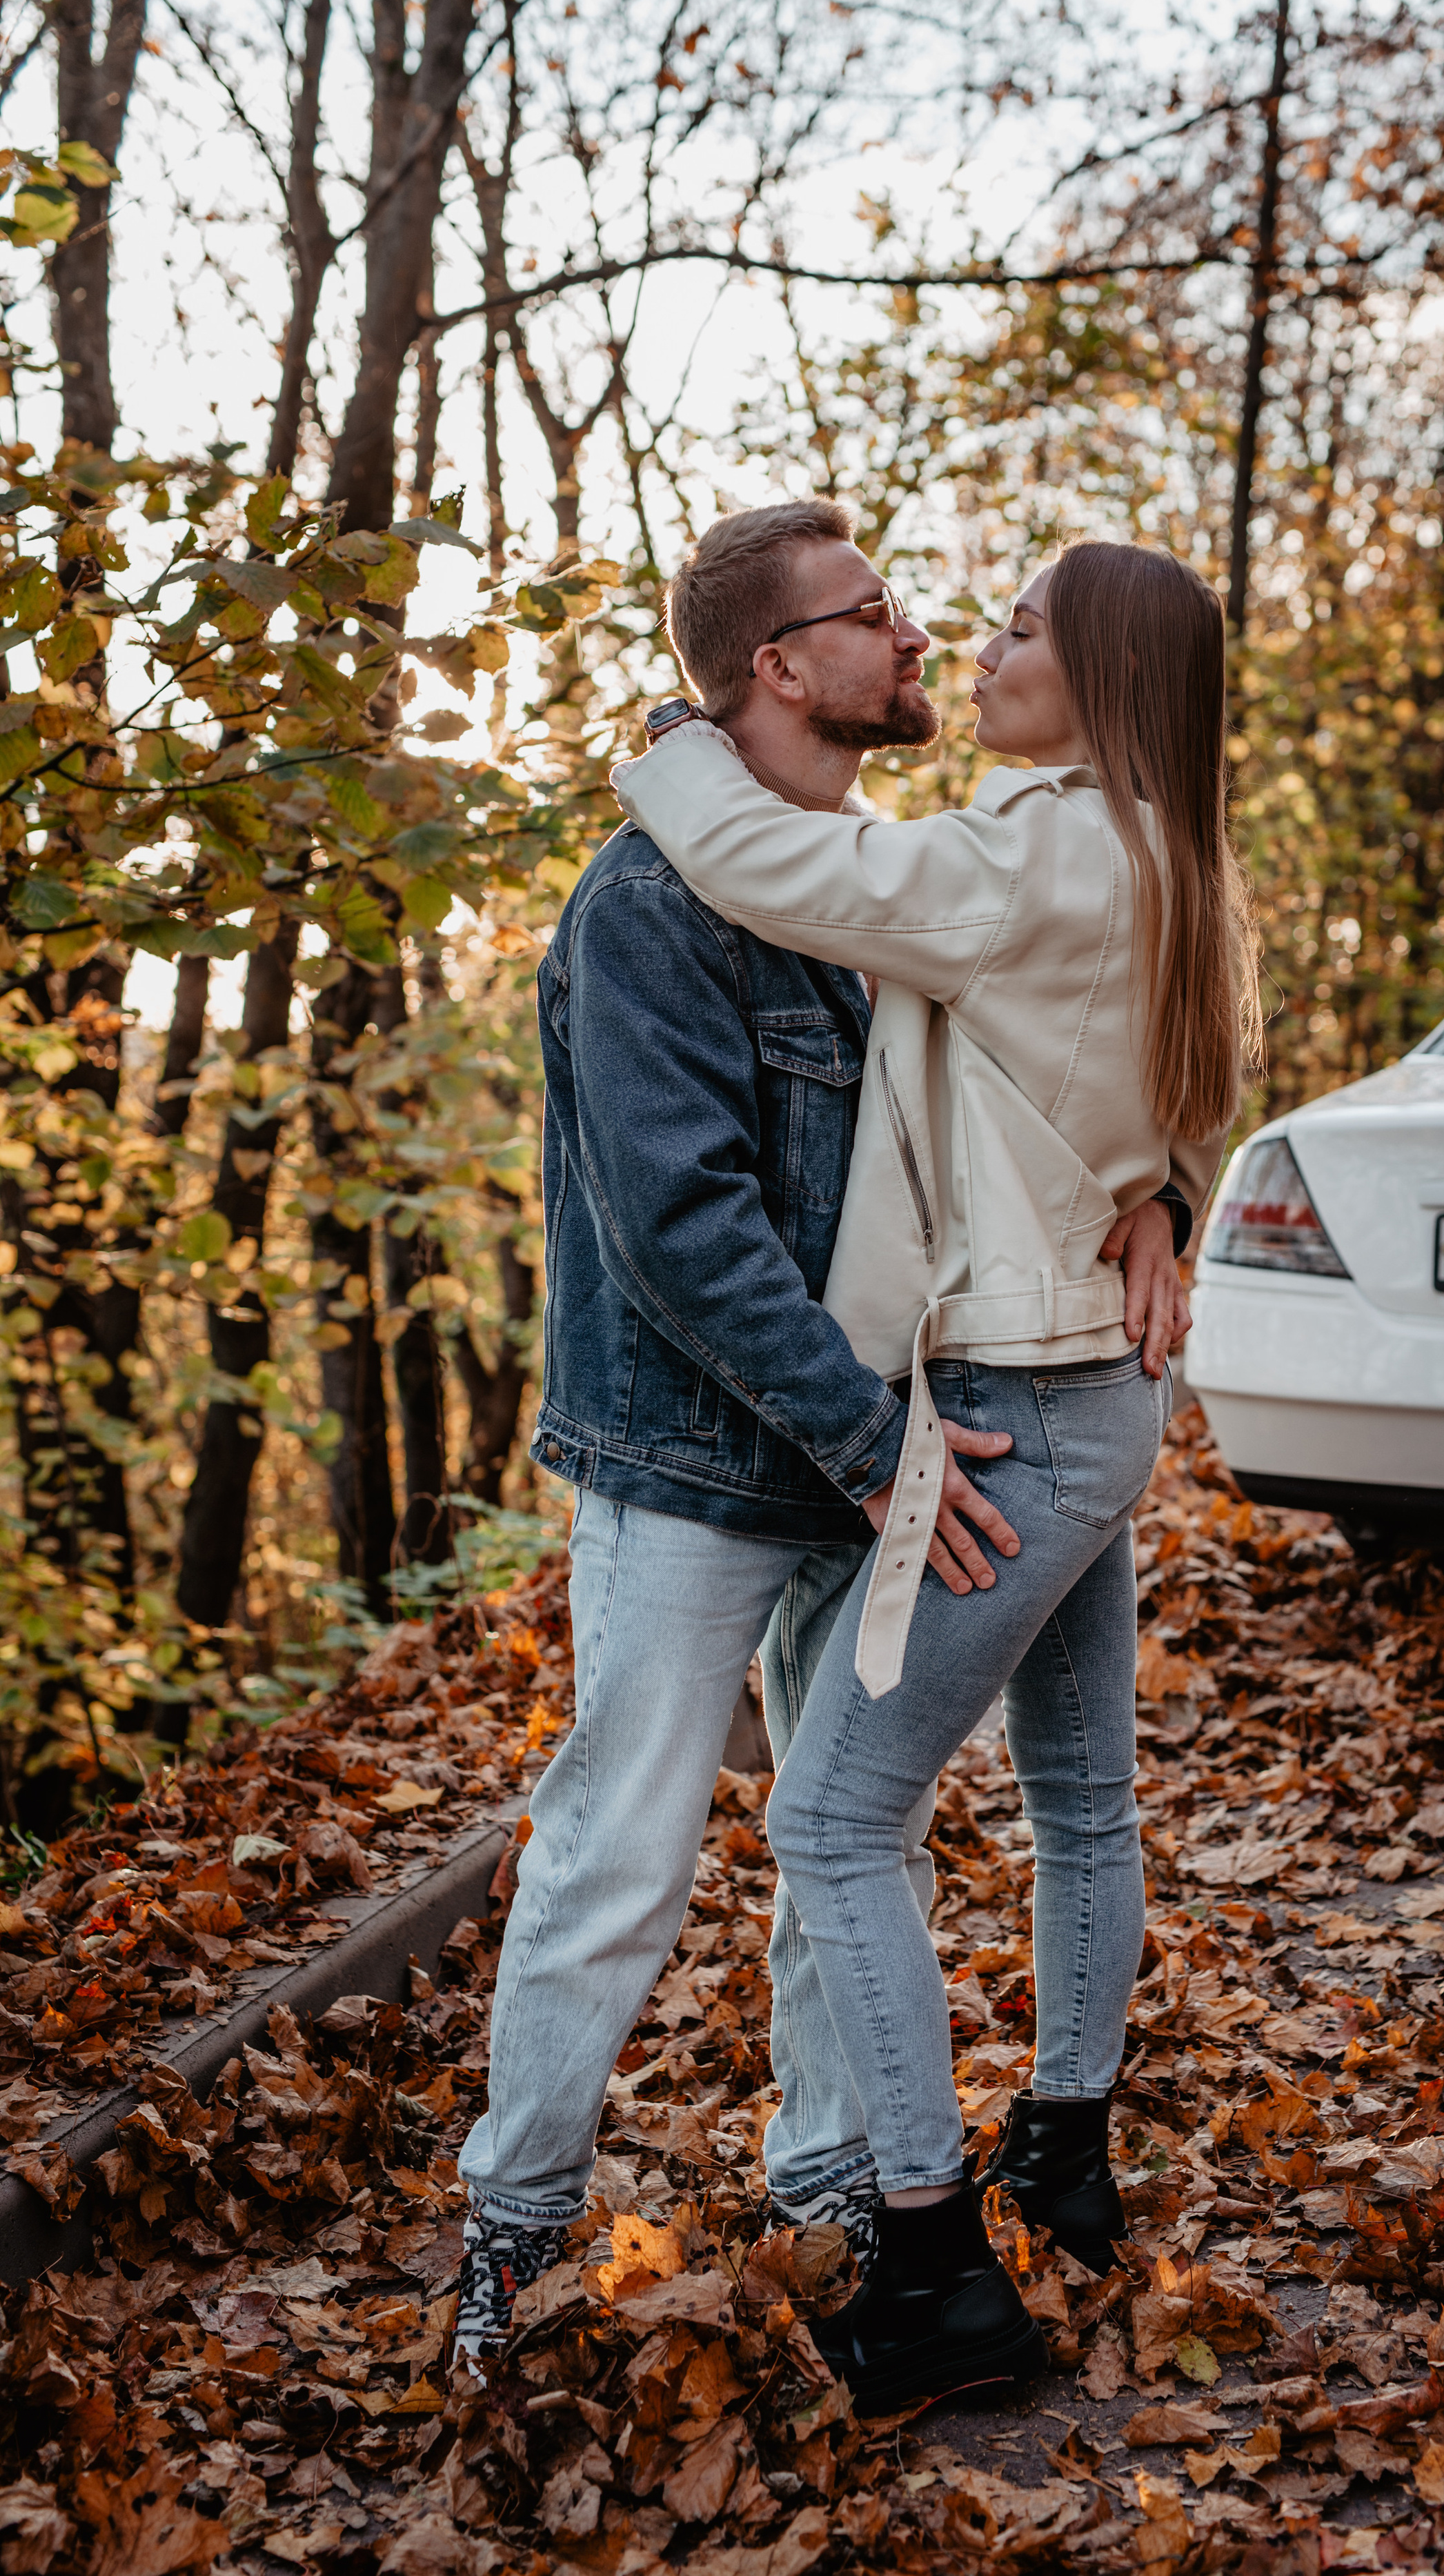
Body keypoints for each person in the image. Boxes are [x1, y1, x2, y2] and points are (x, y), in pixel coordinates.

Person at [450, 501, 1187, 2369]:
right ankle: (514, 2228)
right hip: (716, 1458)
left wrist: (1156, 1179)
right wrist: (873, 1446)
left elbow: (1093, 1037)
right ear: (781, 667)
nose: (916, 631)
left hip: (890, 1436)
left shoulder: (896, 872)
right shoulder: (652, 906)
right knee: (618, 1846)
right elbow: (686, 1225)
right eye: (872, 613)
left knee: (848, 1836)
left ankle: (835, 2182)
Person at [613, 535, 1258, 2413]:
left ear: (1106, 683)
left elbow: (773, 860)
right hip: (1090, 1397)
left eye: (1020, 631)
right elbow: (1134, 1100)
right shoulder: (1165, 852)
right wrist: (1159, 1194)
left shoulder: (1043, 849)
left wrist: (672, 732)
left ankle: (930, 2267)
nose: (977, 647)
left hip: (1018, 1410)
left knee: (830, 1821)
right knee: (1081, 1800)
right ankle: (1064, 2143)